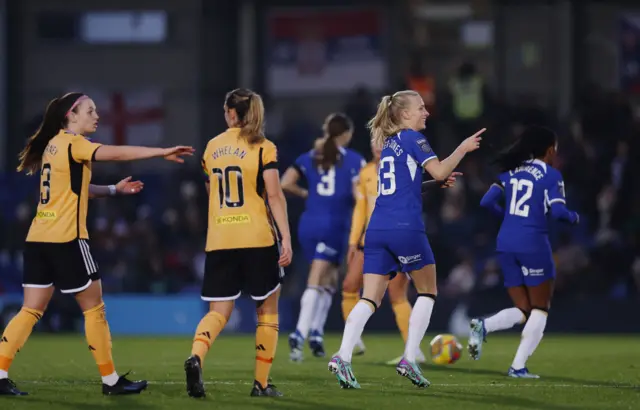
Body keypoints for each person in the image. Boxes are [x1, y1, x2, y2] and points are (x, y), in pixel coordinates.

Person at [0, 92, 194, 396]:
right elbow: (116, 154)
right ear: (72, 115)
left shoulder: (53, 145)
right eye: (90, 111)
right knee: (94, 309)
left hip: (38, 239)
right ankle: (111, 380)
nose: (97, 116)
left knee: (30, 310)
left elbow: (78, 189)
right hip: (67, 238)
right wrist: (160, 152)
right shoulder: (75, 143)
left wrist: (114, 190)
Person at [328, 90, 484, 389]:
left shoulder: (389, 145)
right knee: (428, 291)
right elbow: (439, 169)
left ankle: (342, 357)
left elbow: (403, 183)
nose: (426, 112)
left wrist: (432, 183)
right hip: (405, 228)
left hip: (377, 229)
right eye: (421, 108)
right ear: (405, 115)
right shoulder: (413, 138)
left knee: (369, 298)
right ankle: (410, 358)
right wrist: (462, 148)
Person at [184, 88, 292, 398]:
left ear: (232, 114)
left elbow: (211, 191)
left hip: (220, 238)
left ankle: (196, 357)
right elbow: (274, 195)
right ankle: (261, 383)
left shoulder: (212, 147)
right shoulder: (264, 147)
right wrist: (285, 238)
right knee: (267, 309)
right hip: (257, 236)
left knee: (218, 311)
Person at [468, 125, 579, 378]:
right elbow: (560, 213)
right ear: (550, 150)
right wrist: (574, 217)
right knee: (540, 309)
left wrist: (506, 215)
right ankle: (518, 366)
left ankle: (483, 325)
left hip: (505, 243)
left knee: (524, 309)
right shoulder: (552, 175)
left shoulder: (510, 172)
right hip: (533, 244)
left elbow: (486, 202)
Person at [342, 140, 459, 365]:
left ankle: (411, 350)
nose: (377, 147)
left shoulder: (397, 163)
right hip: (375, 237)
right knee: (352, 286)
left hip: (390, 234)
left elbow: (408, 188)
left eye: (380, 142)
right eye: (374, 143)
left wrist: (435, 183)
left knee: (394, 295)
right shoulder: (366, 172)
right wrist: (353, 241)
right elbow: (360, 209)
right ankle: (352, 347)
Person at [280, 112, 365, 361]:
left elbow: (286, 183)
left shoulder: (310, 156)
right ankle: (300, 332)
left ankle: (316, 333)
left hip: (309, 222)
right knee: (318, 280)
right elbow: (357, 193)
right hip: (334, 224)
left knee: (328, 281)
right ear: (346, 134)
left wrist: (307, 194)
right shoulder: (353, 160)